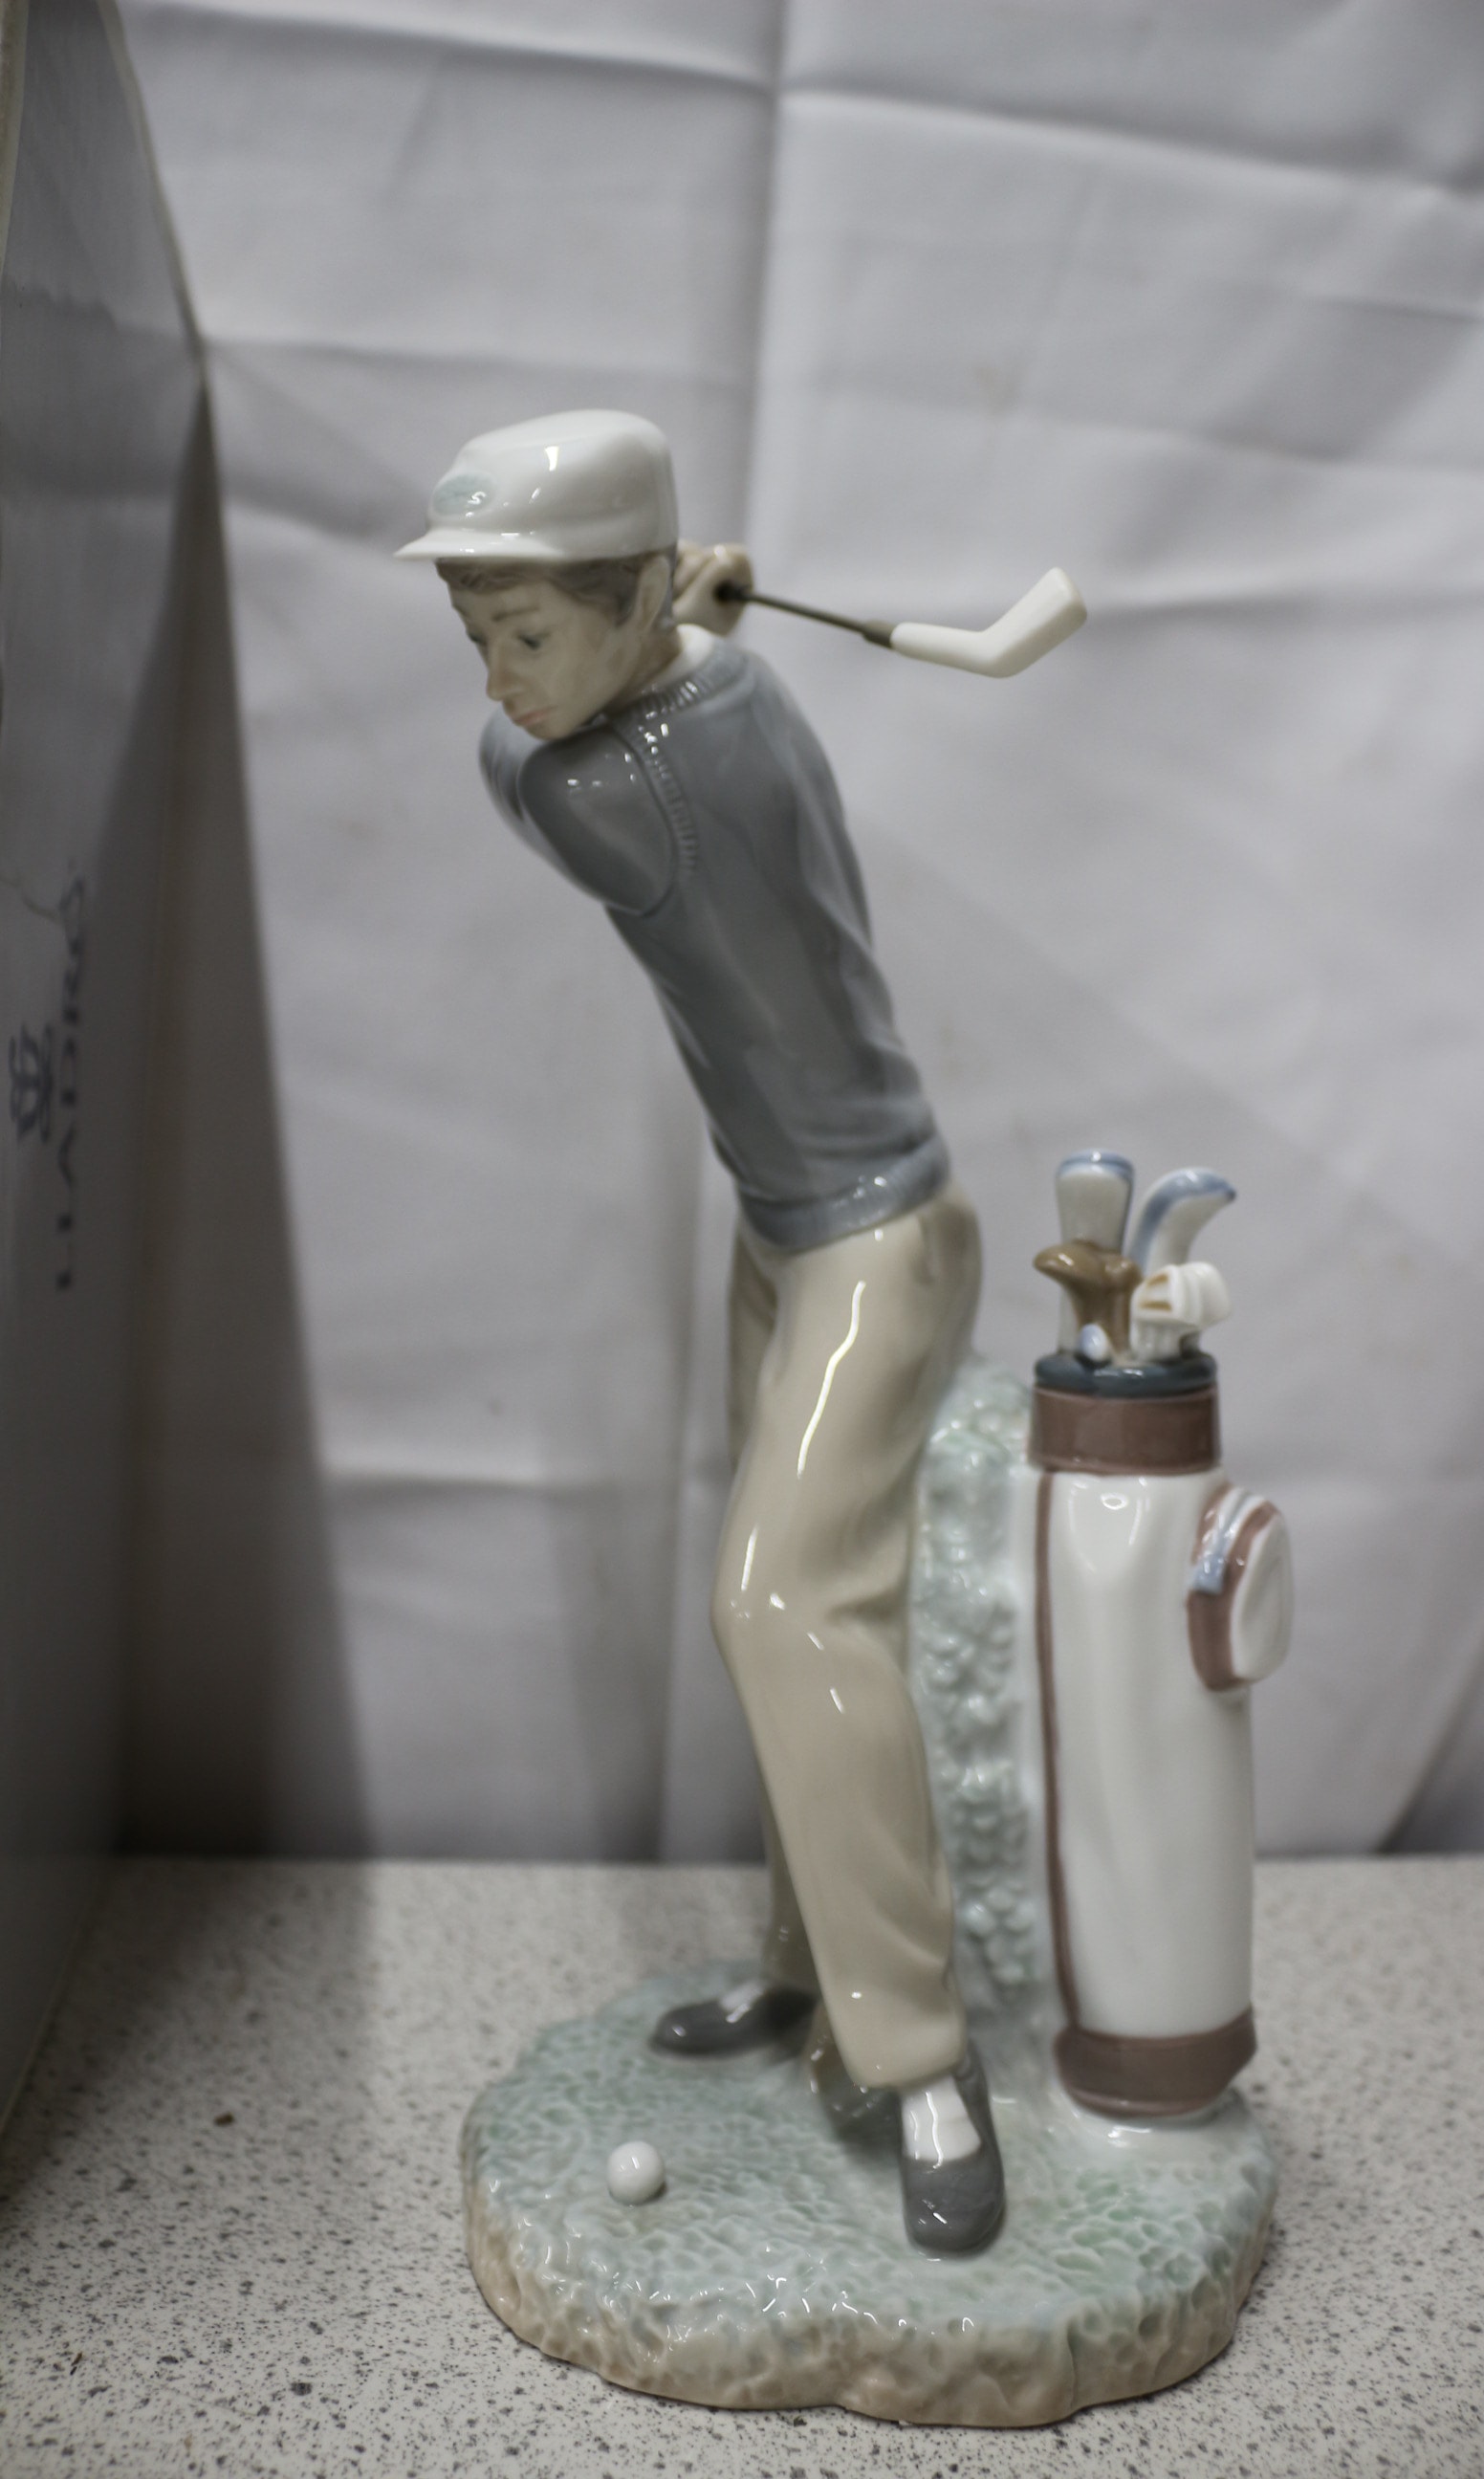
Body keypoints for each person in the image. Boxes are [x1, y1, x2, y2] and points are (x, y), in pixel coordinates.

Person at [399, 410, 1003, 2251]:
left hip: (878, 1247)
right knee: (805, 1633)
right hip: (791, 1227)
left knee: (781, 1605)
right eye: (476, 635)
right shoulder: (731, 689)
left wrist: (674, 609)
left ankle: (925, 2066)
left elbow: (520, 771)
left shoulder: (623, 789)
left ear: (638, 596)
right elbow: (638, 679)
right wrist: (679, 619)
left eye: (525, 632)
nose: (497, 677)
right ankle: (812, 1975)